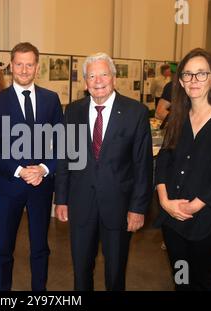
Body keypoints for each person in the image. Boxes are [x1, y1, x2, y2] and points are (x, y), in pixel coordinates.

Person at [54, 52, 153, 291]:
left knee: (115, 272)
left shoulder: (135, 112)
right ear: (85, 82)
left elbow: (143, 165)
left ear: (114, 78)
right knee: (81, 270)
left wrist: (138, 208)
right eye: (91, 76)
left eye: (103, 74)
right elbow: (66, 158)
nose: (98, 81)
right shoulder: (74, 111)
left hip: (119, 207)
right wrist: (62, 199)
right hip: (81, 204)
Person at [154, 48, 211, 291]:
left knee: (203, 283)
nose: (193, 80)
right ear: (181, 82)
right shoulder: (178, 114)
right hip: (173, 220)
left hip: (207, 222)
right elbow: (164, 159)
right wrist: (165, 201)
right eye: (187, 75)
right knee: (181, 280)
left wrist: (193, 206)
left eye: (201, 74)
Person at [0, 42, 63, 291]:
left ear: (37, 67)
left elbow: (62, 143)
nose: (24, 69)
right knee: (4, 248)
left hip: (41, 184)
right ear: (11, 66)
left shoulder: (51, 99)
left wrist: (44, 169)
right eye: (19, 64)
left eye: (29, 64)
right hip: (9, 184)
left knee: (40, 247)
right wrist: (18, 170)